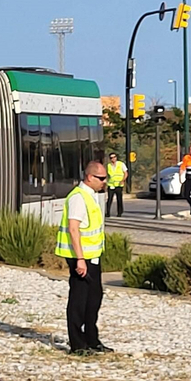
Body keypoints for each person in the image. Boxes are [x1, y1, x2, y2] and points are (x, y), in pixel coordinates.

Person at [56, 160, 109, 354]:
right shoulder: (78, 197)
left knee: (94, 298)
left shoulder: (92, 195)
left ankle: (92, 340)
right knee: (79, 300)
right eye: (101, 178)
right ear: (90, 177)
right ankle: (78, 344)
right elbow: (73, 228)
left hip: (93, 256)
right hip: (81, 258)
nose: (104, 181)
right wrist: (80, 259)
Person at [105, 152, 127, 218]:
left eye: (114, 157)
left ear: (116, 157)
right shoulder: (108, 166)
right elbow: (107, 175)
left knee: (119, 199)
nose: (113, 159)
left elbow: (125, 173)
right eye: (111, 158)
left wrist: (123, 180)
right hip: (111, 184)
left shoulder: (121, 164)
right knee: (109, 199)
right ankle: (108, 212)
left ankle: (119, 212)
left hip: (119, 184)